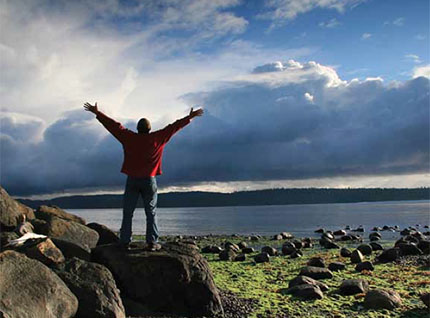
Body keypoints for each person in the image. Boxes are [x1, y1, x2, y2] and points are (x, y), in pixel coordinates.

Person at [84, 102, 203, 251]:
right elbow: (173, 127)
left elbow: (113, 126)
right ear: (149, 129)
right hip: (149, 180)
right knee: (151, 213)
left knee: (128, 212)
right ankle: (152, 242)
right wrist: (189, 117)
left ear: (138, 129)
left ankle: (125, 241)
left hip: (132, 180)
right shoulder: (157, 138)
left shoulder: (129, 137)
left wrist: (98, 113)